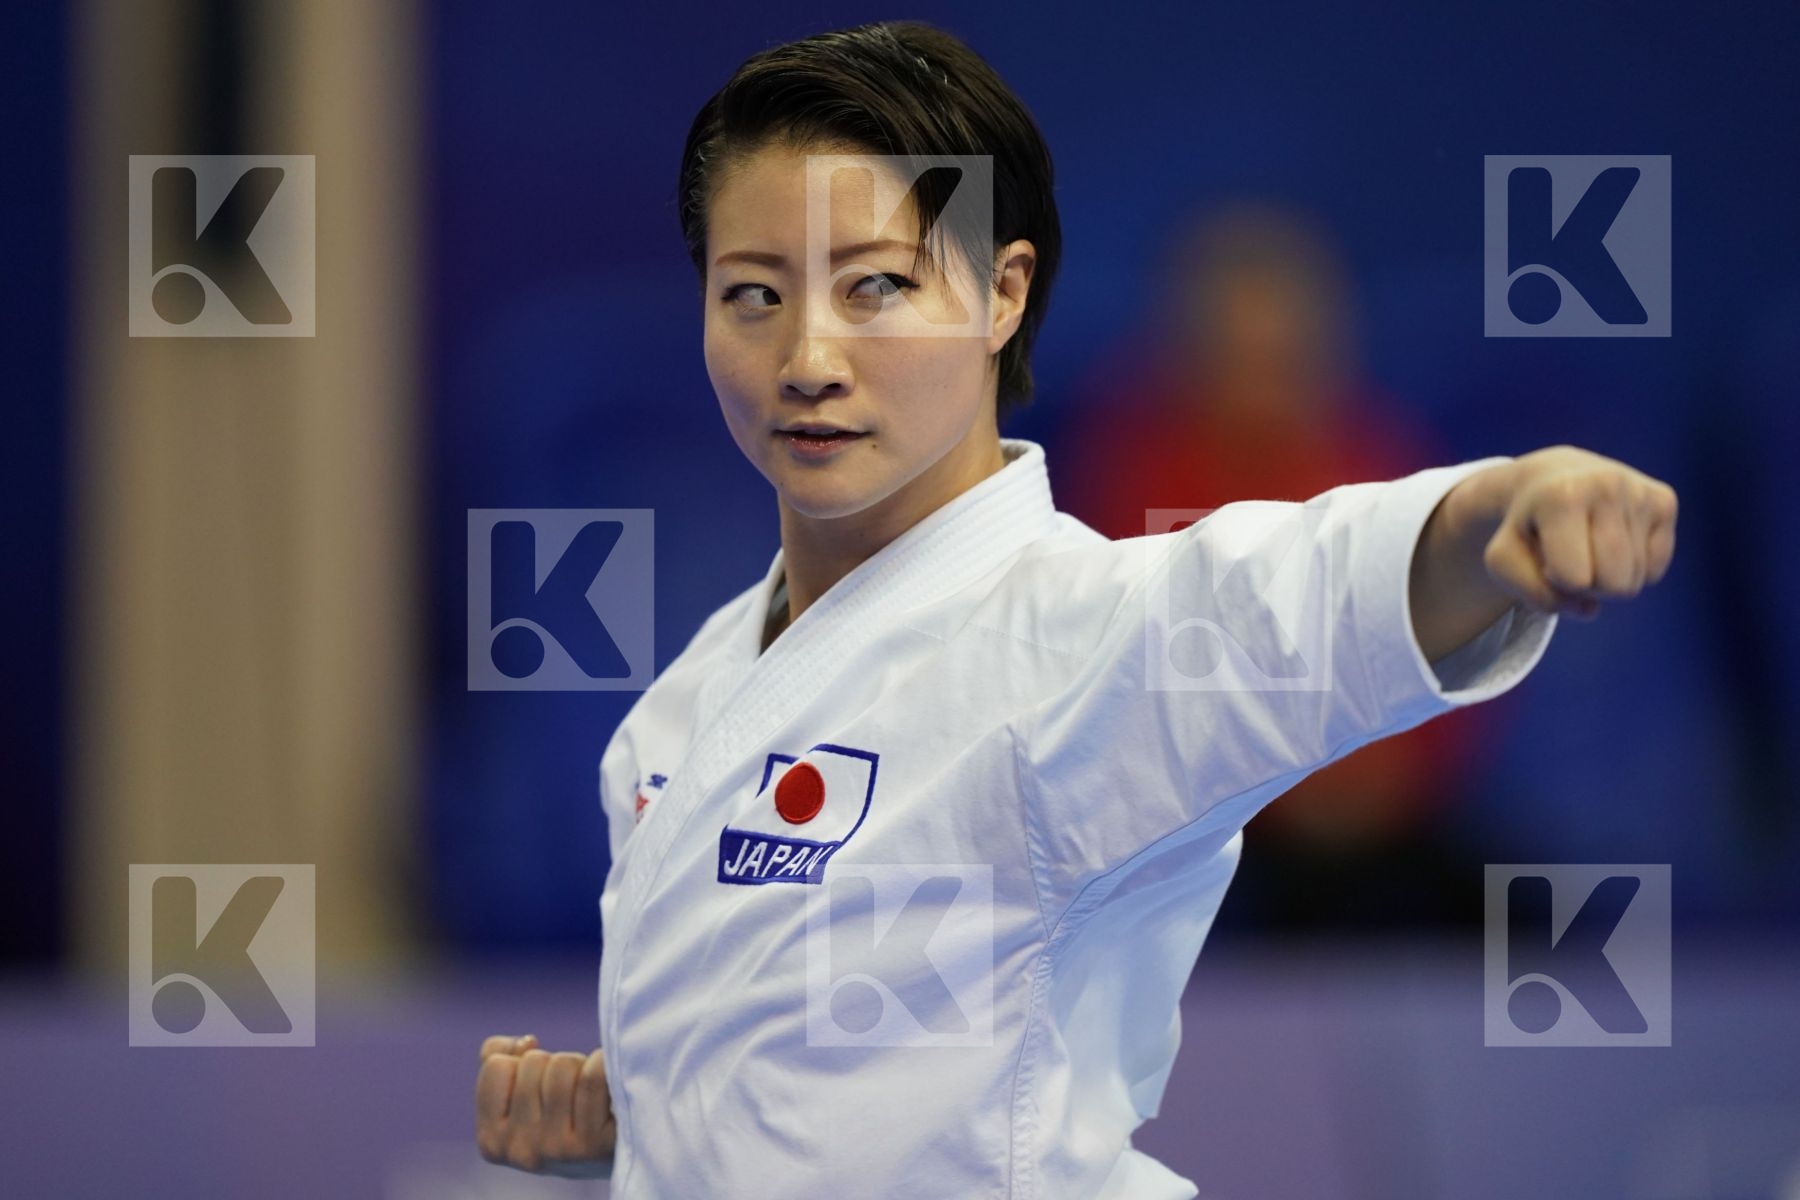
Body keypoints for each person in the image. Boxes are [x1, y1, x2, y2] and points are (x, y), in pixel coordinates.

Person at [474, 20, 1679, 1198]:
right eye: (751, 294)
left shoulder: (1085, 637)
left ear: (1002, 294)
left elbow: (1314, 584)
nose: (807, 355)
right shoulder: (678, 713)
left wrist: (1509, 506)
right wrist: (639, 1132)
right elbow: (820, 1096)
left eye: (877, 286)